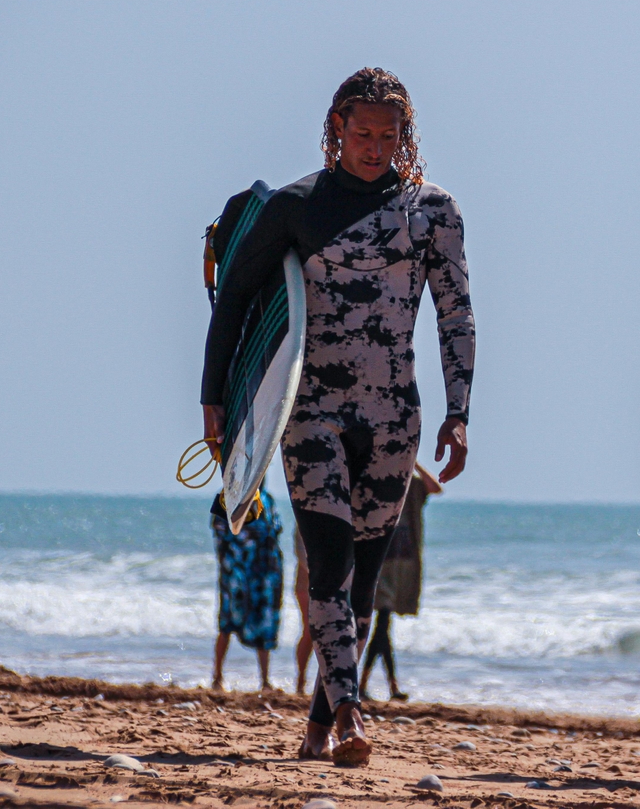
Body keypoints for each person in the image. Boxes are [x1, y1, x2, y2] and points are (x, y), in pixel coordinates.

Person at [201, 68, 475, 767]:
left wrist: (459, 411)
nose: (375, 148)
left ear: (404, 136)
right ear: (337, 130)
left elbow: (455, 314)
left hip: (394, 417)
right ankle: (352, 712)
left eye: (388, 135)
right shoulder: (296, 206)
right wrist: (215, 402)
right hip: (311, 410)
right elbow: (236, 300)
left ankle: (319, 728)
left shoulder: (432, 212)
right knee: (327, 562)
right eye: (363, 134)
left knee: (362, 580)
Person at [360, 461, 442, 700]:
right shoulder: (375, 483)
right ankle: (383, 685)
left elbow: (435, 488)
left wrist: (413, 463)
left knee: (383, 628)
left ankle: (374, 684)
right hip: (378, 567)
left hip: (400, 569)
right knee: (382, 625)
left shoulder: (411, 486)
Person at [210, 488, 285, 691]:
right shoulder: (226, 497)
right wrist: (229, 569)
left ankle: (265, 680)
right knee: (227, 623)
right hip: (235, 573)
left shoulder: (266, 499)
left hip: (264, 575)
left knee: (264, 626)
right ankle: (217, 676)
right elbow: (219, 536)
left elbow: (274, 533)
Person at [292, 526, 312, 695]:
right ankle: (301, 678)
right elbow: (299, 550)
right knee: (309, 630)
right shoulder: (304, 517)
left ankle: (327, 681)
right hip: (306, 582)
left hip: (329, 582)